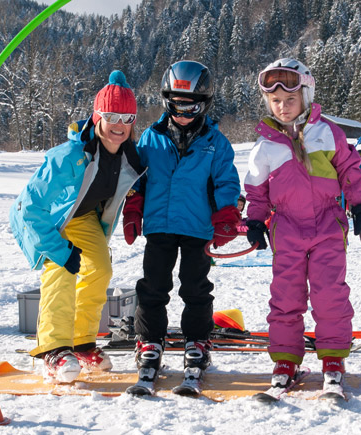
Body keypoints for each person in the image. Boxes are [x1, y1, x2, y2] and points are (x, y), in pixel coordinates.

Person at [244, 58, 361, 398]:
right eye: (275, 101)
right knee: (286, 296)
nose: (283, 107)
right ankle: (286, 360)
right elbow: (256, 191)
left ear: (305, 95)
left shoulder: (327, 132)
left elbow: (351, 169)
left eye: (290, 99)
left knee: (330, 294)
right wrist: (255, 221)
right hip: (286, 228)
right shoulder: (265, 146)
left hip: (327, 225)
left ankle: (332, 360)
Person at [9, 71, 145, 383]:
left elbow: (141, 183)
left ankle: (82, 343)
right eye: (111, 116)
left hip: (83, 218)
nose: (118, 125)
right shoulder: (69, 157)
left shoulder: (128, 157)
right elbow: (28, 207)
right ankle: (54, 349)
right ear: (98, 116)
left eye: (127, 117)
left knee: (99, 268)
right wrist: (57, 249)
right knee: (63, 267)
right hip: (50, 219)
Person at [121, 60, 241, 389]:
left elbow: (226, 183)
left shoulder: (216, 143)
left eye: (192, 107)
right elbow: (137, 179)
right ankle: (149, 341)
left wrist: (227, 213)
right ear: (166, 102)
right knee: (153, 286)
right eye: (177, 106)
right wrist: (132, 207)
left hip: (197, 228)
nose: (184, 114)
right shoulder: (151, 138)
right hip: (159, 225)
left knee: (195, 287)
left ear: (204, 105)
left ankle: (198, 340)